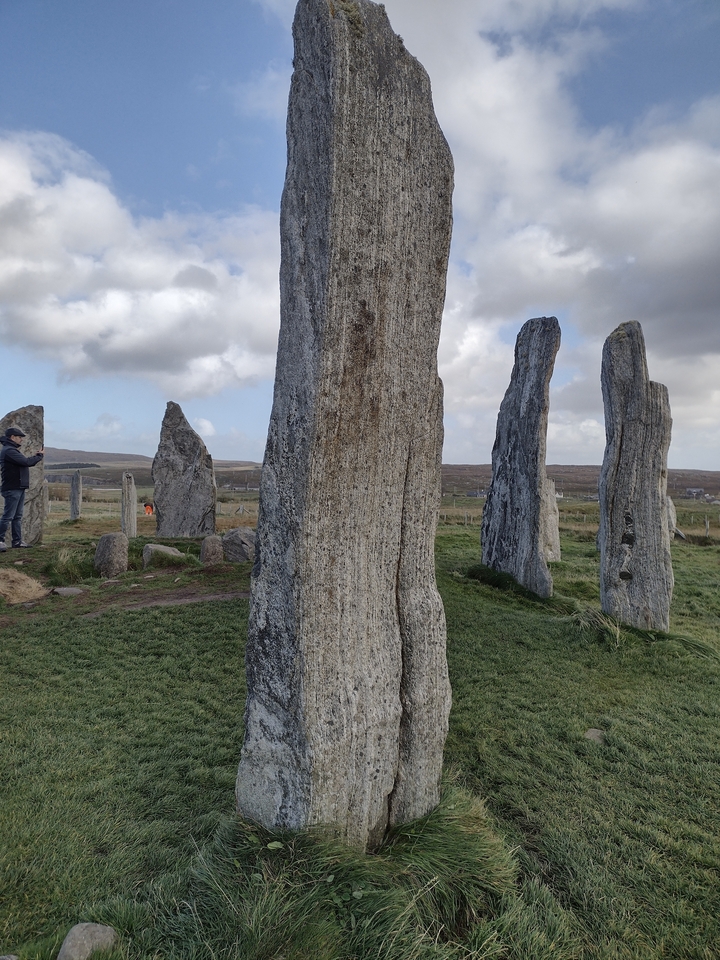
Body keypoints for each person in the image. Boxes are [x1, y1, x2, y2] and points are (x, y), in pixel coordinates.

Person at [0, 427, 44, 551]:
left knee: (17, 516)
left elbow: (23, 462)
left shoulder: (11, 450)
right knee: (8, 516)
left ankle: (17, 541)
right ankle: (0, 540)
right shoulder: (9, 450)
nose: (21, 440)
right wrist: (39, 456)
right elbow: (25, 462)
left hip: (18, 487)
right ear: (12, 437)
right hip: (12, 488)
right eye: (20, 437)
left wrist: (36, 456)